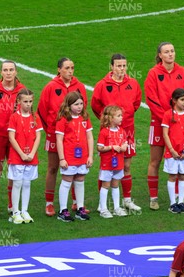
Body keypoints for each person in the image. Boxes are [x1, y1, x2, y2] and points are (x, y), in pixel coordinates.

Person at [92, 53, 142, 213]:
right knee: (106, 168)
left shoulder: (133, 83)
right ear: (112, 67)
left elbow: (136, 103)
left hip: (128, 131)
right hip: (108, 133)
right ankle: (103, 204)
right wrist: (108, 121)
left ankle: (127, 200)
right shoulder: (102, 85)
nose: (121, 69)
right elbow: (95, 105)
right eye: (118, 66)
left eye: (124, 66)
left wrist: (122, 119)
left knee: (126, 166)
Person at [37, 58, 88, 217]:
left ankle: (76, 203)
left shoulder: (79, 87)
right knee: (53, 168)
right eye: (67, 68)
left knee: (77, 168)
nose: (70, 71)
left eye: (72, 67)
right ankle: (49, 203)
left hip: (75, 137)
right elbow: (42, 111)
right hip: (55, 135)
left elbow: (83, 108)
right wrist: (51, 130)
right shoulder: (51, 87)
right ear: (59, 69)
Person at [144, 42, 184, 210]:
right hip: (158, 123)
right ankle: (153, 197)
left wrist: (177, 116)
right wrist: (167, 117)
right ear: (160, 55)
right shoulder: (153, 73)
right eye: (167, 52)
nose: (171, 54)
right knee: (155, 160)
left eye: (172, 51)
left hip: (179, 125)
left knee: (178, 159)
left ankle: (178, 198)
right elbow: (151, 98)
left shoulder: (183, 72)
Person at [0, 60, 25, 218]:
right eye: (5, 70)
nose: (8, 73)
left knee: (14, 171)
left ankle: (11, 204)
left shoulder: (22, 91)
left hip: (16, 137)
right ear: (1, 72)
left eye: (11, 70)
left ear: (16, 72)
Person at [55, 92, 94, 222]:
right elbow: (59, 140)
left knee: (80, 180)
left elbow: (89, 137)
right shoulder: (63, 119)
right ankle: (63, 210)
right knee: (67, 181)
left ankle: (80, 208)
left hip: (82, 156)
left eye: (81, 104)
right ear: (69, 105)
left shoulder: (85, 118)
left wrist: (90, 155)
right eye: (76, 104)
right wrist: (62, 158)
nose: (79, 107)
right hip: (69, 156)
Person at [7, 89, 42, 224]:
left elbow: (38, 136)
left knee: (27, 183)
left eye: (30, 101)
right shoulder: (14, 117)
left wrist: (32, 153)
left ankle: (24, 210)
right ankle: (15, 211)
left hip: (31, 156)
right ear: (19, 102)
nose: (28, 104)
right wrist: (21, 153)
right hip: (17, 156)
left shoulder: (35, 117)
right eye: (25, 101)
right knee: (17, 183)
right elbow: (11, 137)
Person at [162, 88, 184, 214]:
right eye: (182, 100)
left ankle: (181, 201)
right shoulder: (168, 115)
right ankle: (172, 204)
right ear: (174, 100)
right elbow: (165, 134)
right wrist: (171, 150)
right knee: (172, 176)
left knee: (182, 175)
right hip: (172, 153)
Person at [97, 105, 129, 218]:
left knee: (115, 185)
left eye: (121, 115)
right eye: (119, 116)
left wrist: (125, 146)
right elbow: (99, 148)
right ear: (110, 118)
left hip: (118, 163)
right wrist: (111, 147)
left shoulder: (122, 131)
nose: (121, 118)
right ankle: (103, 209)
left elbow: (125, 142)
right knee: (105, 185)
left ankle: (116, 208)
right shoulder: (104, 132)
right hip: (107, 164)